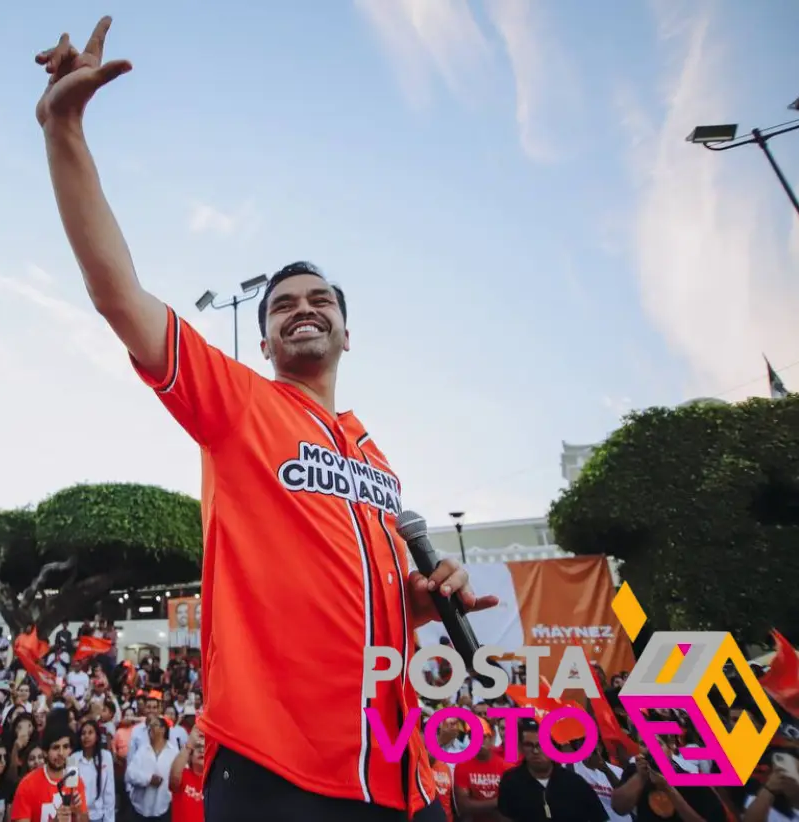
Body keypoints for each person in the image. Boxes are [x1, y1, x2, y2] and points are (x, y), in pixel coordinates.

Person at [33, 16, 496, 821]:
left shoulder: (377, 460)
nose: (303, 310)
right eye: (285, 305)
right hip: (275, 772)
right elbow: (119, 294)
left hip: (393, 771)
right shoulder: (238, 402)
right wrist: (64, 130)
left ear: (348, 331)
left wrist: (416, 601)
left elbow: (352, 588)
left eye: (321, 301)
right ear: (266, 334)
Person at [495, 722, 608, 821]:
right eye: (529, 745)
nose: (535, 751)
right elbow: (505, 817)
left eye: (541, 745)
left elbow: (598, 816)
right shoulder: (511, 781)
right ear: (522, 747)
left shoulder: (574, 782)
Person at [11, 711, 88, 822]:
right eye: (56, 748)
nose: (61, 753)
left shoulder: (75, 781)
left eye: (66, 747)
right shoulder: (27, 784)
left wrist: (78, 813)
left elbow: (85, 818)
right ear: (45, 752)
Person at [68, 720, 114, 822]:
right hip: (78, 816)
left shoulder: (106, 756)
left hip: (98, 815)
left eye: (90, 732)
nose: (86, 736)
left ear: (97, 736)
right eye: (83, 733)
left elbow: (109, 792)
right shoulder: (72, 759)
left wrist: (109, 819)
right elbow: (70, 791)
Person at [168, 727, 205, 822]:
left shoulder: (213, 781)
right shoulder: (183, 774)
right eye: (198, 748)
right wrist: (189, 745)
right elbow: (173, 781)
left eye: (205, 749)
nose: (201, 751)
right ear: (190, 757)